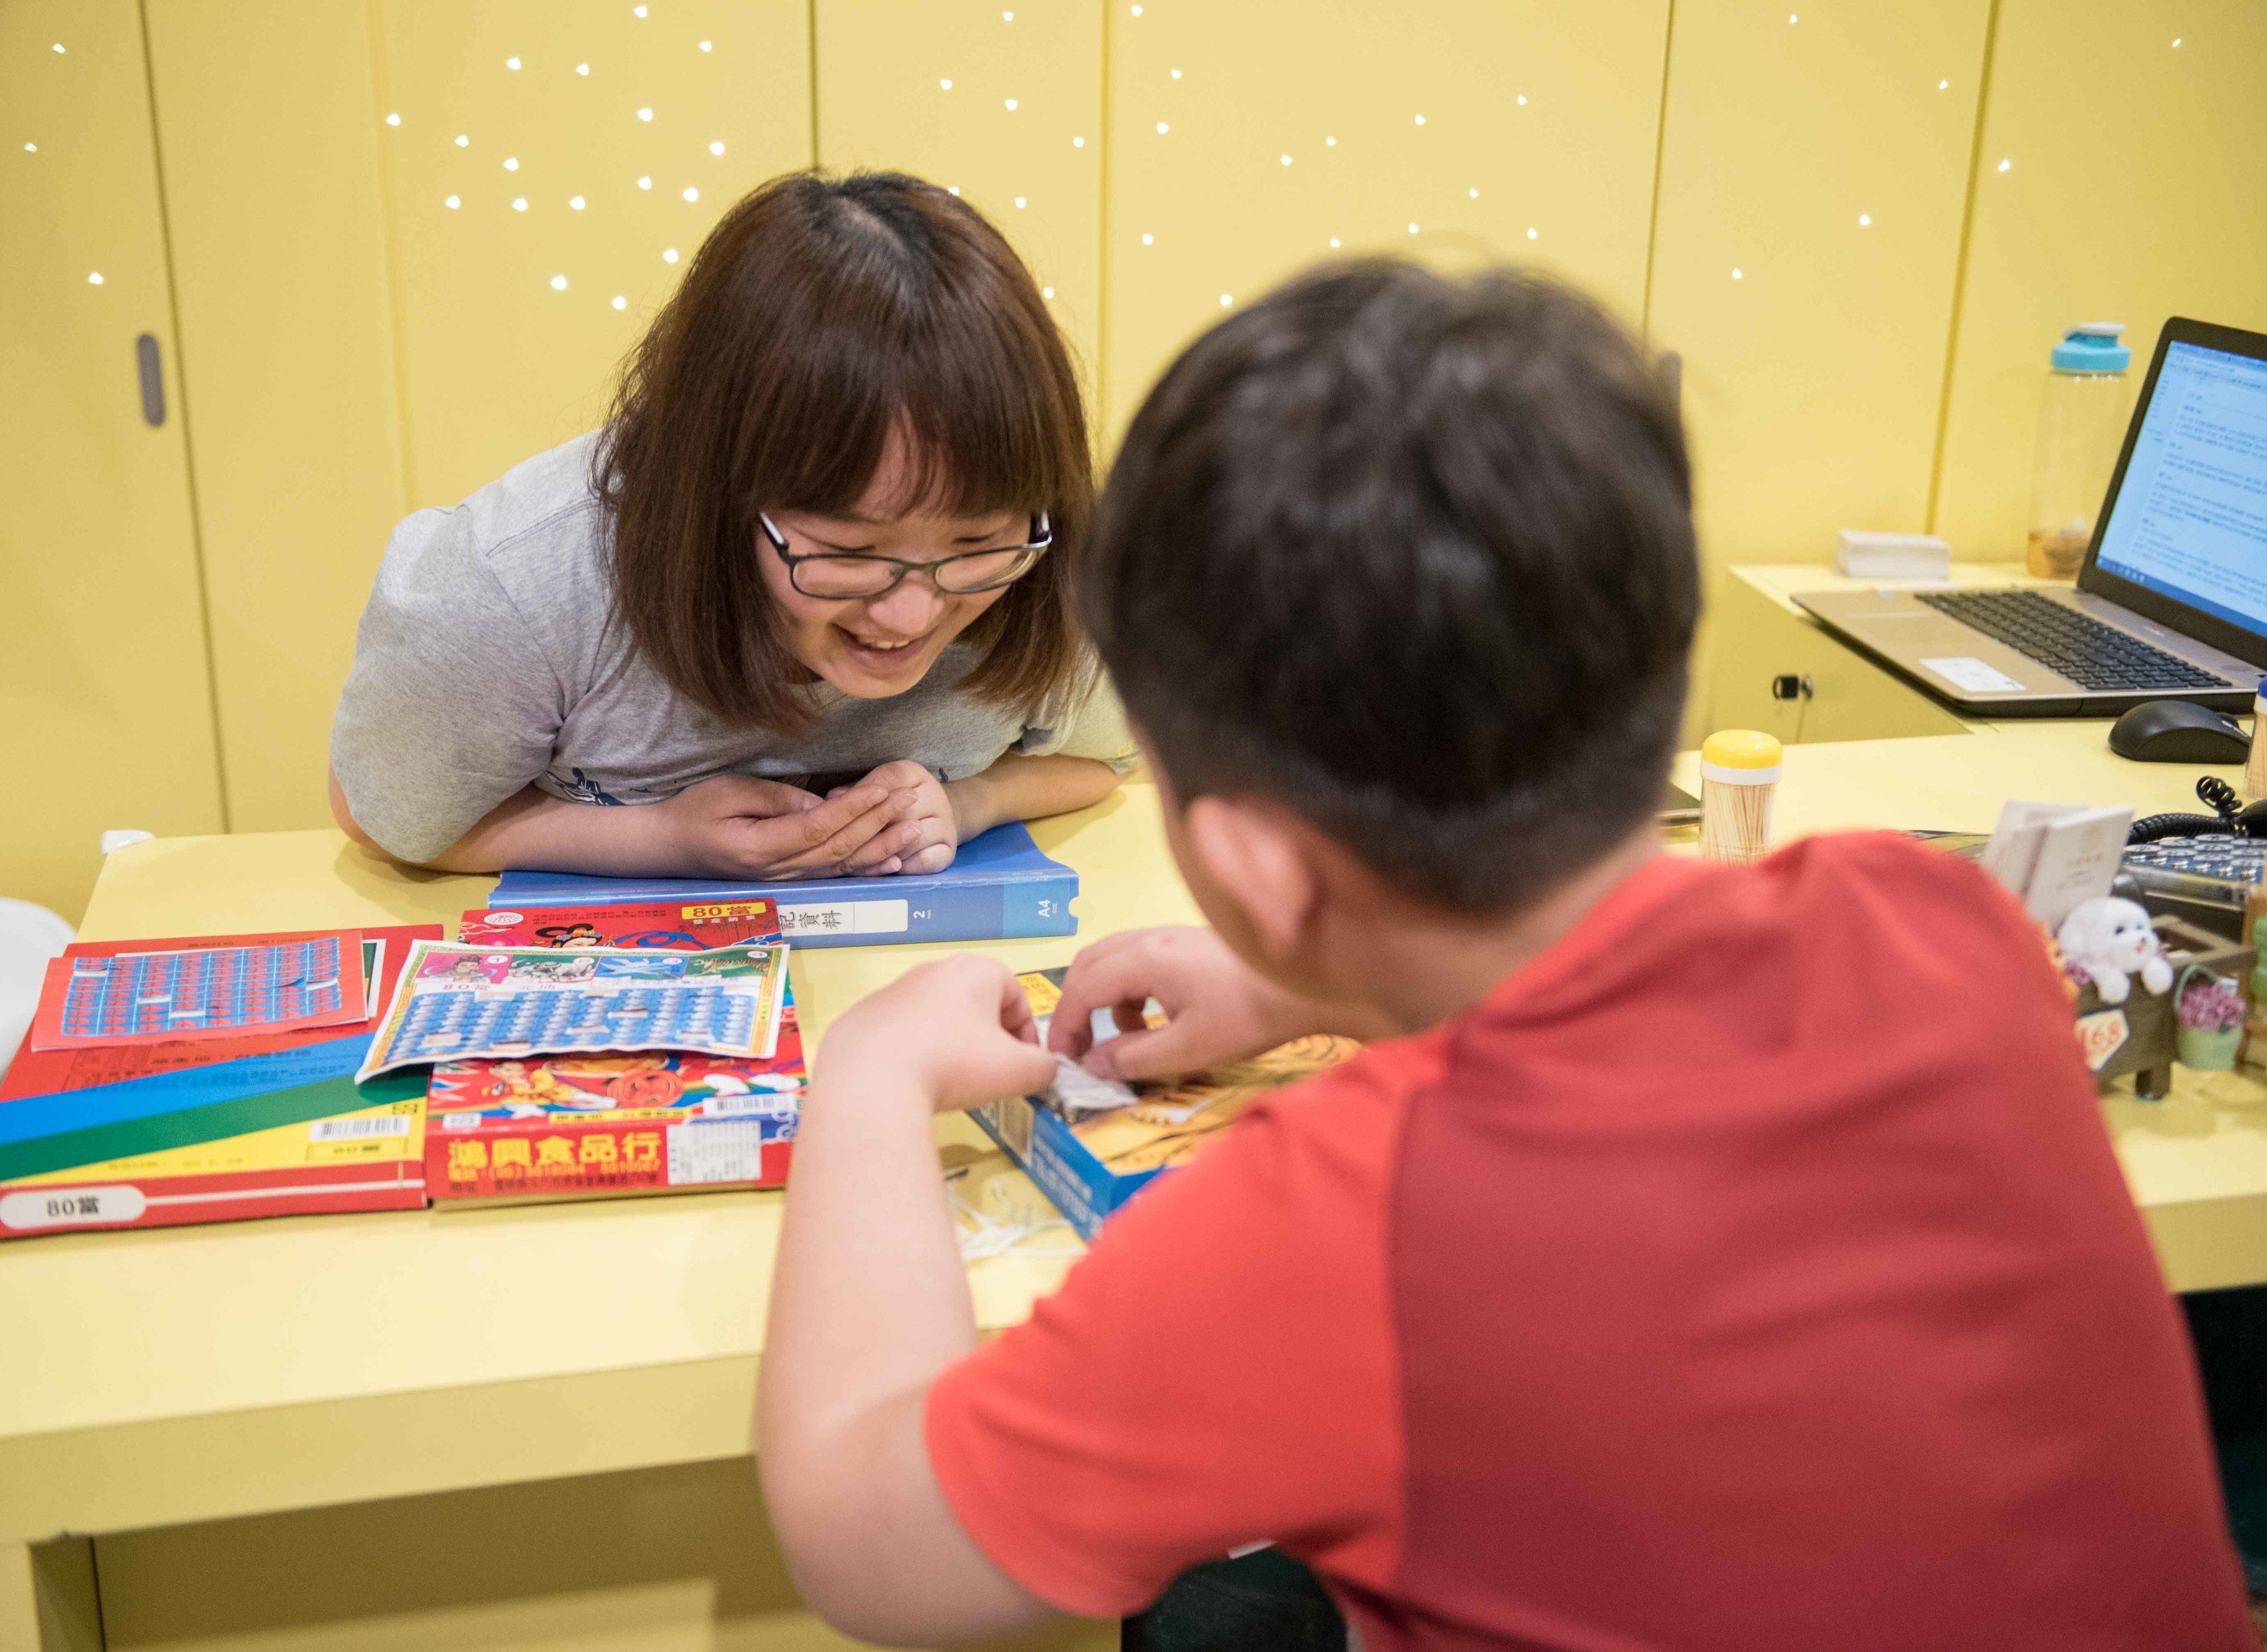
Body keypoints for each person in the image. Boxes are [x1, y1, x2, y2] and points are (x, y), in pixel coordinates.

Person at [755, 262, 2255, 1649]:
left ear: (1258, 868)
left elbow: (870, 1548)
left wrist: (873, 1073)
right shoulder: (1939, 925)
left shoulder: (1333, 1228)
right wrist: (1313, 984)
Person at [328, 171, 1130, 879]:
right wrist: (654, 838)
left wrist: (972, 802)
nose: (911, 617)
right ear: (715, 486)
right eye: (850, 553)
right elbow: (383, 817)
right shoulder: (521, 586)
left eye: (972, 545)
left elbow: (1102, 763)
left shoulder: (1042, 560)